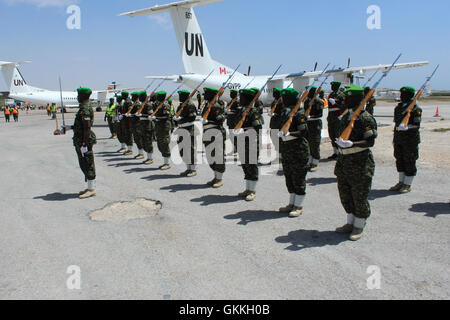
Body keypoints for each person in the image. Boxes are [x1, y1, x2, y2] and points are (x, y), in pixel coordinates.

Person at [334, 85, 378, 241]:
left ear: (358, 99)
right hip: (344, 161)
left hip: (359, 162)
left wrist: (353, 144)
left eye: (349, 98)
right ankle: (350, 222)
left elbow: (370, 141)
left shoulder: (365, 118)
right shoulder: (347, 116)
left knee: (359, 195)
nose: (345, 100)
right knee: (345, 194)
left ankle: (359, 225)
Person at [278, 88, 310, 217]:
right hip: (287, 149)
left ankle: (299, 205)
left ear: (292, 99)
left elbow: (303, 131)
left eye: (286, 98)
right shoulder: (285, 112)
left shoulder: (299, 113)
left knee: (298, 178)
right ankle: (291, 203)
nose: (283, 100)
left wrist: (289, 133)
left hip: (298, 150)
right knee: (289, 177)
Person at [389, 86, 422, 193]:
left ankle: (407, 184)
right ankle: (401, 182)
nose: (401, 96)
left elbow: (416, 125)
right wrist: (395, 138)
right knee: (399, 160)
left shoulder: (416, 109)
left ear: (411, 96)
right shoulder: (398, 108)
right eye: (401, 94)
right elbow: (396, 124)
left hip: (410, 140)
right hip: (399, 139)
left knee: (409, 161)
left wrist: (407, 127)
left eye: (404, 95)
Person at [236, 88, 263, 201]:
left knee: (251, 165)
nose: (240, 99)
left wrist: (244, 129)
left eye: (242, 98)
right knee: (245, 165)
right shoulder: (242, 110)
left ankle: (252, 190)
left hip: (251, 141)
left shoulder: (254, 112)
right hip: (242, 140)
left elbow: (258, 127)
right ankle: (247, 188)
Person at [72, 88, 97, 199]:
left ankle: (91, 189)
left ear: (83, 96)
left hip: (84, 140)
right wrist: (69, 127)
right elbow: (81, 126)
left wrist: (84, 143)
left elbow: (87, 128)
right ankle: (89, 187)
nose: (77, 97)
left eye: (79, 95)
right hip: (81, 139)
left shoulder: (85, 108)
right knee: (84, 163)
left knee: (88, 163)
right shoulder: (83, 107)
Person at [201, 87, 226, 188]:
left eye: (206, 94)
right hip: (208, 132)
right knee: (211, 155)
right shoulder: (207, 104)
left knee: (218, 156)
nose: (204, 95)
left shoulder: (216, 106)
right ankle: (215, 177)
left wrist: (209, 121)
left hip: (216, 133)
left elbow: (220, 119)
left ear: (211, 95)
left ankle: (219, 179)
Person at [174, 89, 198, 177]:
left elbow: (192, 118)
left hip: (188, 130)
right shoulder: (181, 105)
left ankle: (193, 169)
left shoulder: (190, 105)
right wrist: (176, 121)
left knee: (189, 150)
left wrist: (181, 119)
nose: (179, 97)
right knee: (182, 150)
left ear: (185, 96)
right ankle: (188, 168)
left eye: (181, 96)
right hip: (181, 129)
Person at [304, 86, 324, 172]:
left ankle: (315, 163)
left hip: (315, 123)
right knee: (308, 142)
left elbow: (320, 114)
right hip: (307, 123)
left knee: (315, 143)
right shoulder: (307, 101)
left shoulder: (318, 101)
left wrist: (311, 117)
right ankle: (309, 161)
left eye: (312, 91)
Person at [152, 91, 172, 170]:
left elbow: (166, 116)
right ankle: (165, 162)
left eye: (158, 96)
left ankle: (167, 163)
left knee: (164, 143)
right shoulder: (158, 104)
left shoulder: (165, 105)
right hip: (159, 126)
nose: (157, 97)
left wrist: (156, 118)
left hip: (164, 126)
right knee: (160, 144)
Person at [327, 81, 346, 159]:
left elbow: (343, 107)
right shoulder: (331, 94)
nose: (332, 87)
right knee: (332, 135)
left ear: (336, 86)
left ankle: (340, 153)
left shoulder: (341, 95)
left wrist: (335, 103)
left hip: (337, 117)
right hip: (331, 117)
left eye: (333, 86)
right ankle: (335, 152)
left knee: (337, 135)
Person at [268, 87, 284, 173]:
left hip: (279, 124)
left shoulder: (282, 102)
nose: (273, 94)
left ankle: (281, 157)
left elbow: (282, 113)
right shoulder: (275, 101)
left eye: (275, 92)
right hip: (273, 124)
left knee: (279, 141)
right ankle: (278, 155)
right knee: (275, 141)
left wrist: (275, 114)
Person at [139, 92, 156, 165]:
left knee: (148, 142)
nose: (139, 98)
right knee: (144, 141)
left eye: (140, 96)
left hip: (148, 125)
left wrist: (142, 114)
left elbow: (150, 114)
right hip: (143, 125)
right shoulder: (142, 104)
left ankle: (150, 158)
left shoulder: (148, 104)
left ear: (144, 97)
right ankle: (148, 157)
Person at [129, 92, 145, 159]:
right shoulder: (134, 104)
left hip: (137, 124)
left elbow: (138, 114)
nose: (131, 98)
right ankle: (139, 152)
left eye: (133, 97)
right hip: (134, 124)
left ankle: (141, 153)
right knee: (136, 139)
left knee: (138, 139)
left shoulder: (137, 104)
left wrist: (132, 115)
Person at [225, 90, 240, 157]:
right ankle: (234, 149)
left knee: (235, 136)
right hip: (230, 121)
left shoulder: (237, 102)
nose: (230, 94)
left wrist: (231, 111)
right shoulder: (230, 101)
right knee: (231, 136)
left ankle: (237, 149)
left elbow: (239, 111)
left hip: (234, 121)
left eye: (232, 93)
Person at [119, 91, 134, 155]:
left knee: (128, 135)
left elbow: (129, 111)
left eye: (122, 95)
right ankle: (128, 148)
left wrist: (124, 115)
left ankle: (130, 149)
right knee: (126, 135)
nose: (121, 96)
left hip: (128, 121)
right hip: (125, 121)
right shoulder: (125, 101)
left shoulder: (128, 102)